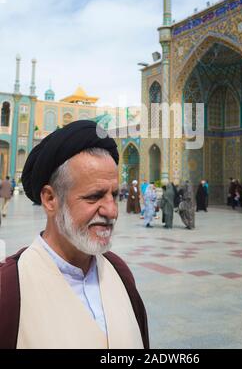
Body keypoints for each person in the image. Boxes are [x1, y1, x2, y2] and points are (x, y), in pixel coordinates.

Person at [0, 120, 149, 349]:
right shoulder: (9, 289)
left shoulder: (119, 273)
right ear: (50, 199)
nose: (112, 211)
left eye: (114, 195)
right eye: (94, 196)